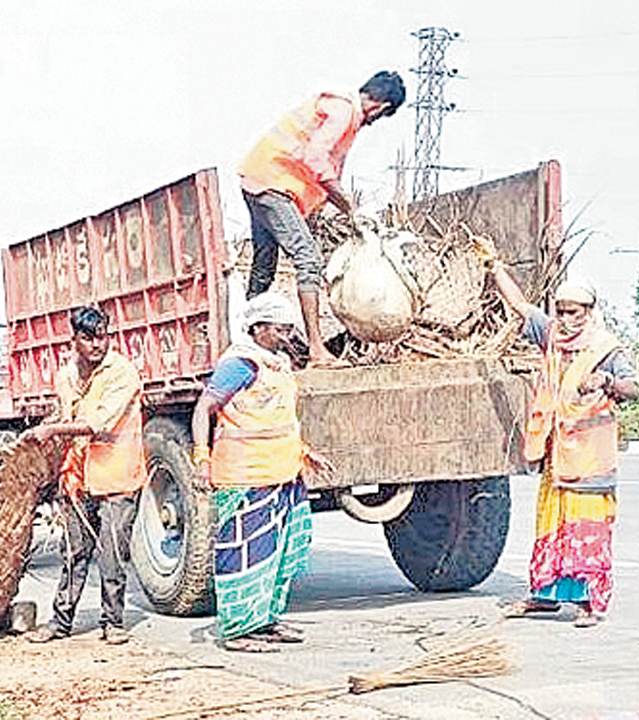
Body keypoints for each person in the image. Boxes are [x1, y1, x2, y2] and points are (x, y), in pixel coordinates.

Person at [475, 237, 639, 627]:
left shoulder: (606, 349)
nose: (566, 318)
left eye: (573, 312)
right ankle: (545, 596)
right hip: (558, 455)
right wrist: (495, 266)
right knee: (552, 524)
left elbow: (633, 388)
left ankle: (590, 604)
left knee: (587, 529)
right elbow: (520, 306)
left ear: (589, 312)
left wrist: (606, 382)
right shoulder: (550, 335)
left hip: (590, 460)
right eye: (561, 311)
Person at [190, 293, 332, 652]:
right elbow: (204, 408)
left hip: (281, 474)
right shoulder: (240, 364)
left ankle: (264, 620)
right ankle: (238, 630)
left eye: (288, 329)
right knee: (244, 554)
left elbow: (275, 418)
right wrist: (201, 459)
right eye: (279, 329)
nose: (286, 336)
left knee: (275, 554)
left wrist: (304, 453)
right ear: (258, 328)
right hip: (246, 476)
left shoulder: (277, 365)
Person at [238, 71, 407, 368]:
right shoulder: (345, 110)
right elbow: (315, 157)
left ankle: (245, 341)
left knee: (264, 266)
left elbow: (326, 171)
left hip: (259, 178)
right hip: (275, 183)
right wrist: (350, 206)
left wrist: (338, 208)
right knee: (309, 260)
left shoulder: (335, 106)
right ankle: (317, 351)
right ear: (381, 107)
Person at [25, 307, 147, 646]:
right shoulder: (65, 376)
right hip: (77, 479)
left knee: (112, 554)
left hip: (117, 477)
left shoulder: (122, 373)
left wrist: (51, 430)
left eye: (102, 337)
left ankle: (113, 622)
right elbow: (66, 418)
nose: (97, 344)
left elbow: (97, 423)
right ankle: (60, 623)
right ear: (74, 340)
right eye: (88, 338)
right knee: (72, 553)